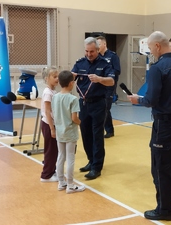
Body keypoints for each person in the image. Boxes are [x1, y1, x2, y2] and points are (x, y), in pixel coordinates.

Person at [127, 31, 171, 221]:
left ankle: (165, 209)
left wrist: (138, 100)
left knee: (160, 167)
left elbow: (152, 99)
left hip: (164, 123)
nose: (150, 52)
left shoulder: (157, 68)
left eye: (149, 48)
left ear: (157, 46)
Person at [71, 37, 115, 180]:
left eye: (91, 51)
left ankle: (97, 167)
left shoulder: (105, 63)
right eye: (86, 51)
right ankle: (91, 160)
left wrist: (100, 79)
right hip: (83, 103)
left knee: (97, 135)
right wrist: (71, 77)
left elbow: (111, 81)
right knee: (85, 134)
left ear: (97, 50)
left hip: (98, 103)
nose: (89, 54)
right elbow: (71, 77)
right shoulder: (80, 63)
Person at [51, 70, 85, 194]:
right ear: (72, 83)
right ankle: (70, 184)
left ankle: (61, 182)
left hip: (59, 131)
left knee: (61, 156)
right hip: (70, 132)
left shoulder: (55, 97)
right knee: (70, 157)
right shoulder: (73, 99)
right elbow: (74, 118)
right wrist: (82, 123)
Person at [96, 36, 121, 138]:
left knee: (106, 108)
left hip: (109, 86)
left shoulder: (112, 56)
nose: (97, 47)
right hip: (99, 85)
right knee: (100, 107)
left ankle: (109, 130)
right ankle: (101, 129)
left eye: (99, 44)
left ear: (104, 44)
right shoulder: (97, 57)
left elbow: (117, 71)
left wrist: (106, 75)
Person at [40, 67, 59, 182]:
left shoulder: (53, 91)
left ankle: (52, 170)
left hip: (51, 124)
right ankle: (46, 175)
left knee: (54, 150)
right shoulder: (48, 93)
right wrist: (52, 129)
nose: (57, 79)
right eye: (54, 77)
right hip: (48, 124)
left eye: (58, 76)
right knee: (50, 150)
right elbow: (47, 112)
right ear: (47, 78)